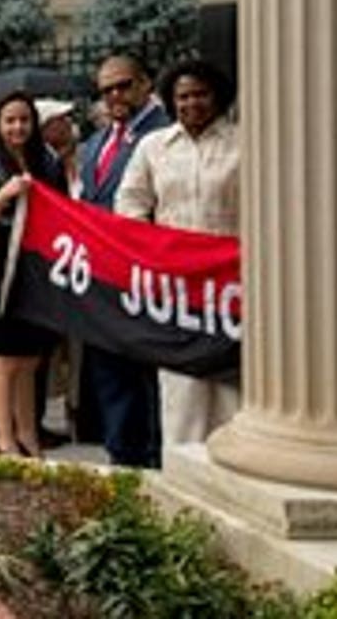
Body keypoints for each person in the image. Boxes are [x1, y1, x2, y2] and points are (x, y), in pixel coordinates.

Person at [114, 59, 241, 448]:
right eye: (183, 96)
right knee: (181, 388)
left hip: (231, 287)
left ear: (217, 96)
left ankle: (231, 470)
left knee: (231, 386)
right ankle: (183, 472)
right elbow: (129, 202)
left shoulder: (247, 142)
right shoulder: (154, 147)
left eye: (200, 94)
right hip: (175, 288)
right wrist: (152, 248)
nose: (192, 103)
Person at [78, 54, 170, 467]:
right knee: (111, 372)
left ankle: (152, 461)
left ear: (145, 84)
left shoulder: (165, 134)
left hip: (148, 277)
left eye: (124, 85)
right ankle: (123, 458)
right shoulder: (96, 143)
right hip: (105, 278)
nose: (114, 95)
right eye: (106, 89)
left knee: (146, 377)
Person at [0, 92, 67, 457]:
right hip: (3, 270)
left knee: (31, 358)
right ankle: (4, 438)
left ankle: (28, 435)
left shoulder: (47, 162)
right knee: (5, 356)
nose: (18, 127)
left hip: (38, 269)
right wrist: (4, 196)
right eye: (10, 120)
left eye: (24, 119)